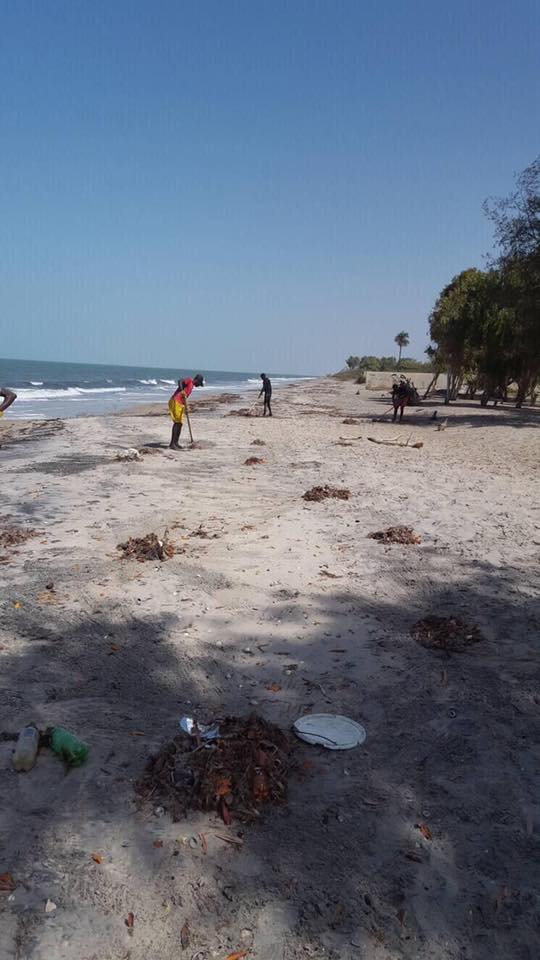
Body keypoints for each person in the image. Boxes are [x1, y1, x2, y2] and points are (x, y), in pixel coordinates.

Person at [168, 374, 204, 449]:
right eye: (199, 383)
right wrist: (181, 391)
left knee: (180, 424)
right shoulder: (190, 380)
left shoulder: (191, 386)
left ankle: (176, 442)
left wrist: (185, 408)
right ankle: (172, 444)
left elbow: (184, 398)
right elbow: (180, 381)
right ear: (197, 380)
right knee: (177, 423)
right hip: (175, 401)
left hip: (180, 404)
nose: (199, 385)